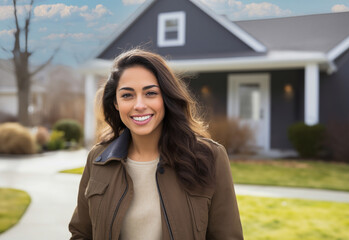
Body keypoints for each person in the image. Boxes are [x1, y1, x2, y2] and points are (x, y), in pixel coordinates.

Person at [69, 49, 243, 240]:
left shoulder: (210, 157)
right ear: (116, 103)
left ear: (166, 98)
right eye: (127, 95)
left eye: (151, 93)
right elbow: (81, 233)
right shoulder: (98, 159)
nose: (139, 105)